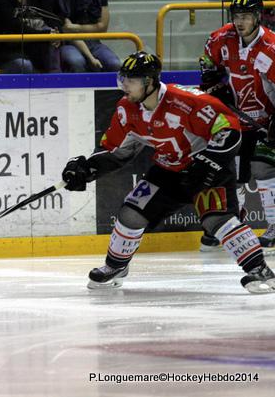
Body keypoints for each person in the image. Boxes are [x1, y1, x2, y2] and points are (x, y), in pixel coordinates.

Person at [61, 51, 275, 294]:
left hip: (207, 168)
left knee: (217, 220)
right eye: (123, 80)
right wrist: (88, 168)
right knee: (131, 214)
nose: (124, 86)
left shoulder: (185, 101)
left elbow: (229, 130)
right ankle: (116, 267)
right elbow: (117, 151)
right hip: (169, 169)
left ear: (149, 82)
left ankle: (260, 270)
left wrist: (209, 161)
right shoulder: (126, 109)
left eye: (131, 81)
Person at [200, 0, 275, 250]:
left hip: (266, 121)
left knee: (264, 169)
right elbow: (207, 64)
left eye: (246, 16)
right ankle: (232, 225)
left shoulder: (271, 47)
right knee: (232, 175)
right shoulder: (221, 38)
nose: (240, 21)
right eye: (236, 16)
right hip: (234, 120)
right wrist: (213, 83)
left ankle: (274, 226)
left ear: (258, 17)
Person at [0, 0, 66, 74]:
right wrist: (46, 35)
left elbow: (52, 18)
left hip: (35, 49)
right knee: (24, 65)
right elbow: (15, 26)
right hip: (8, 50)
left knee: (54, 52)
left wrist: (55, 33)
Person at [60, 0, 121, 73]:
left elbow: (102, 27)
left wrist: (75, 27)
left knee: (114, 63)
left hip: (93, 42)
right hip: (69, 42)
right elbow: (67, 29)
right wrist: (91, 58)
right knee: (76, 62)